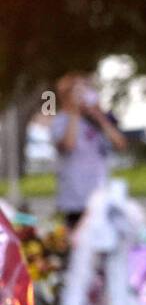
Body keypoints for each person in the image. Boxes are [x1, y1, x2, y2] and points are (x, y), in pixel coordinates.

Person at [51, 73, 127, 228]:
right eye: (79, 92)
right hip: (75, 198)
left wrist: (98, 115)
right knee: (77, 243)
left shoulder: (96, 121)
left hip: (100, 194)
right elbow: (69, 145)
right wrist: (74, 113)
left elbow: (120, 143)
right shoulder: (60, 121)